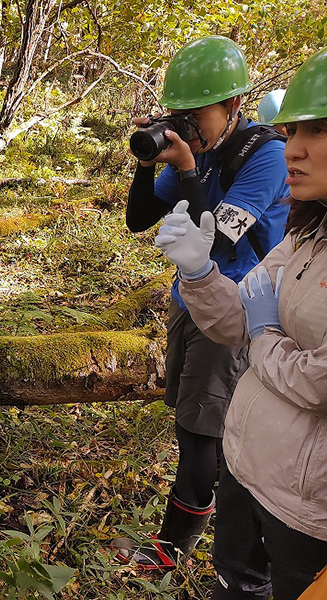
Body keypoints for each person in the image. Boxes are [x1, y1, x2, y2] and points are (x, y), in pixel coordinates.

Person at [152, 46, 327, 600]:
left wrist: (264, 334)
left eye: (317, 131)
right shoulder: (304, 237)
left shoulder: (261, 159)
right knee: (235, 582)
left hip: (305, 505)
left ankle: (174, 540)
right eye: (293, 128)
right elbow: (234, 319)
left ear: (232, 105)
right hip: (249, 469)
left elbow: (317, 377)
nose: (293, 148)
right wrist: (199, 272)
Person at [113, 35, 291, 569]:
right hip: (188, 301)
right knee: (189, 423)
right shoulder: (204, 152)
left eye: (197, 114)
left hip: (234, 311)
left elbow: (216, 240)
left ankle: (171, 551)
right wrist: (149, 164)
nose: (186, 124)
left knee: (200, 432)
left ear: (234, 105)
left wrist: (189, 168)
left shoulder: (267, 156)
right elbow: (139, 219)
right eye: (177, 114)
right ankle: (191, 531)